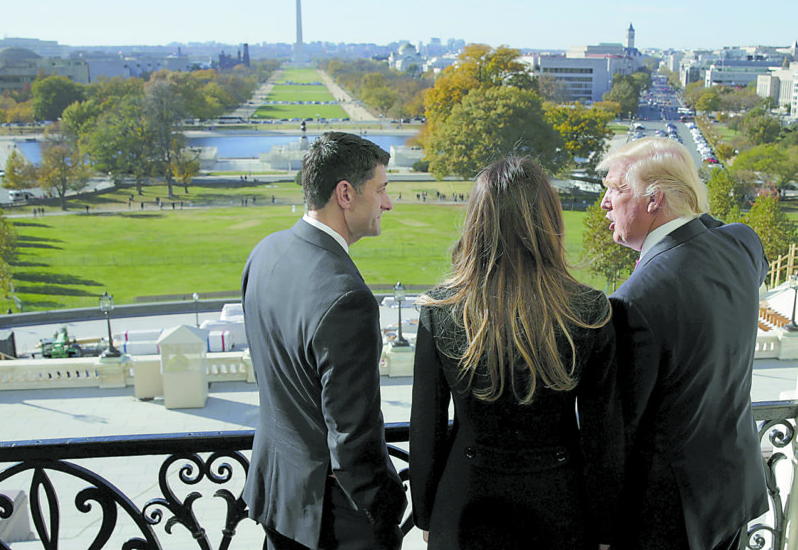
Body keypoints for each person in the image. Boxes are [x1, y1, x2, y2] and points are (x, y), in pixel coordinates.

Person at [410, 156, 621, 550]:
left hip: (464, 501)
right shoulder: (589, 310)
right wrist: (606, 527)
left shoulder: (440, 310)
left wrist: (425, 512)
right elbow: (602, 436)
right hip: (561, 504)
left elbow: (427, 428)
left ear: (477, 222)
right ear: (549, 221)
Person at [598, 136, 768, 550]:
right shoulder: (742, 244)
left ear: (653, 201)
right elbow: (706, 229)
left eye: (616, 189)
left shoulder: (633, 300)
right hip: (733, 493)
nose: (604, 202)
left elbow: (621, 428)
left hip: (672, 518)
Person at [241, 131, 407, 550]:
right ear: (346, 193)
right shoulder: (347, 297)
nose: (387, 203)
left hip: (278, 496)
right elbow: (352, 436)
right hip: (333, 521)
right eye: (382, 189)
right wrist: (385, 506)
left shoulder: (264, 252)